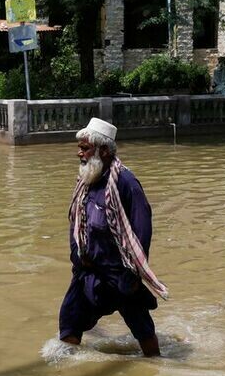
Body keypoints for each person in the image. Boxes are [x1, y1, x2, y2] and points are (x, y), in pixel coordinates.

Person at [59, 118, 169, 357]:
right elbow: (76, 222)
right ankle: (67, 371)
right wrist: (77, 257)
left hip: (120, 274)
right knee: (69, 321)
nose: (79, 153)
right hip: (88, 270)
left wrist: (132, 273)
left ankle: (157, 367)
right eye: (80, 147)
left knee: (143, 330)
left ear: (104, 150)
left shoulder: (126, 183)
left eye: (85, 148)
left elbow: (142, 230)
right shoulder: (87, 180)